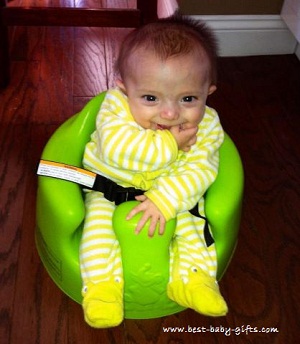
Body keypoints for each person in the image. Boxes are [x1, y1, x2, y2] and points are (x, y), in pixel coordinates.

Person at [79, 14, 228, 328]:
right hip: (111, 187)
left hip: (174, 194)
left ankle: (193, 279)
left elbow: (201, 170)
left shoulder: (208, 124)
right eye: (150, 98)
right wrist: (170, 145)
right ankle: (103, 288)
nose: (171, 113)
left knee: (194, 228)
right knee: (98, 231)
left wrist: (167, 200)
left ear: (208, 92)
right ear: (124, 88)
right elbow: (118, 150)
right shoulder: (115, 106)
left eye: (188, 98)